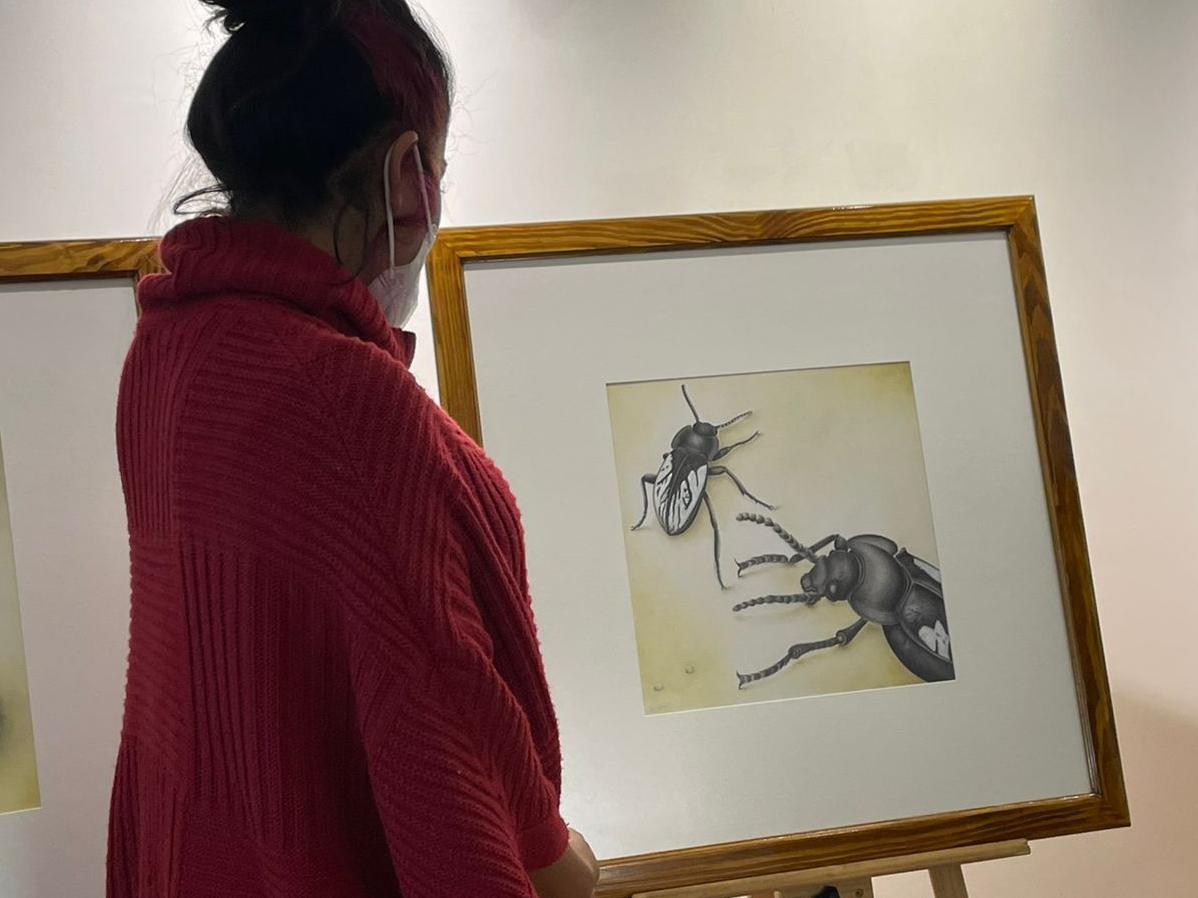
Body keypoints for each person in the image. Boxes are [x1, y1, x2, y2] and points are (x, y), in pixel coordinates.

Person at [106, 1, 599, 896]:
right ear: (409, 179)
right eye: (439, 173)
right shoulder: (352, 408)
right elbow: (467, 768)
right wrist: (567, 863)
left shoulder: (164, 351)